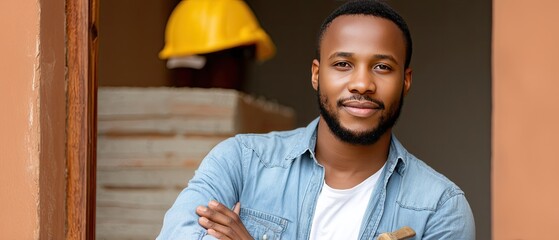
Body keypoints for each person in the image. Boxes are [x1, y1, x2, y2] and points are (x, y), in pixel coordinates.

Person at [157, 0, 476, 239]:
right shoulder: (241, 162)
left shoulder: (440, 208)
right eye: (342, 64)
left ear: (405, 80)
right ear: (316, 74)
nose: (362, 84)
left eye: (381, 67)